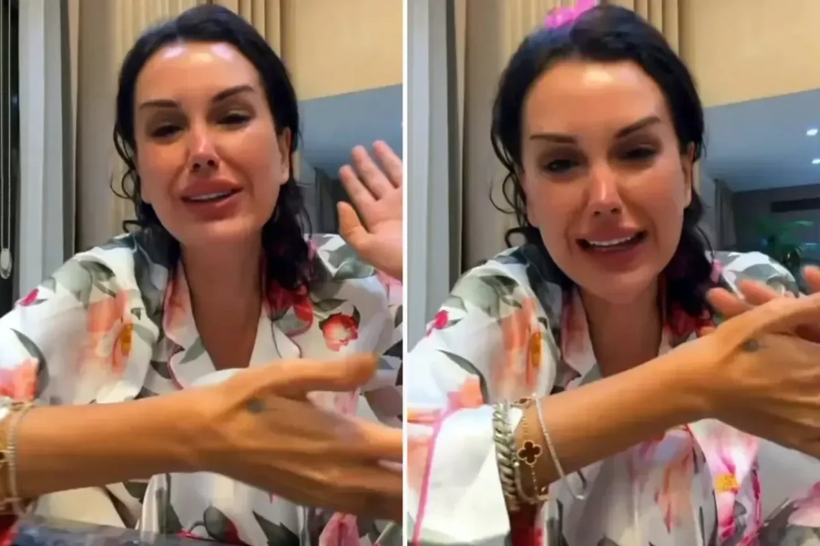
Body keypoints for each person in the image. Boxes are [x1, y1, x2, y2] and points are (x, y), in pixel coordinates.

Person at [406, 5, 820, 545]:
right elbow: (411, 471)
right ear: (527, 191)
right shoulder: (497, 308)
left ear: (687, 169)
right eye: (561, 164)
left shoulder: (751, 297)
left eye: (636, 152)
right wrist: (690, 384)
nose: (604, 197)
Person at [0, 5, 403, 546]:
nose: (202, 152)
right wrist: (192, 433)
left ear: (284, 152)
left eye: (232, 117)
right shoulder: (98, 292)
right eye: (167, 128)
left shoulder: (359, 285)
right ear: (141, 174)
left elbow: (471, 453)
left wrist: (417, 269)